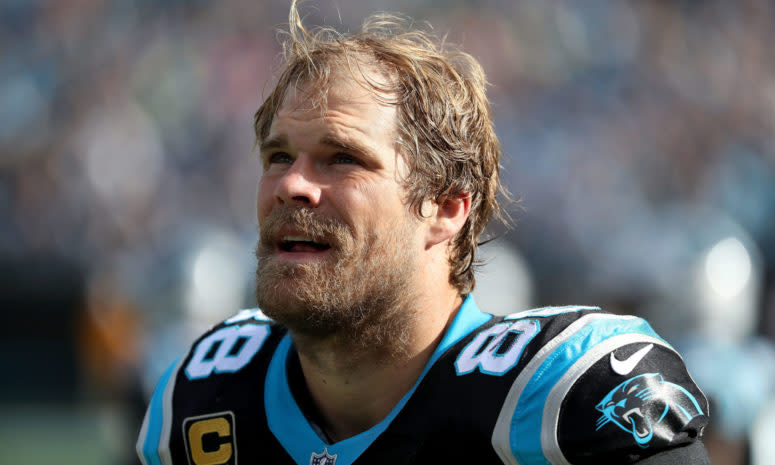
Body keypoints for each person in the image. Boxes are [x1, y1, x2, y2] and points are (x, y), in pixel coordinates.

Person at [136, 2, 711, 464]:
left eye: (342, 159)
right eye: (278, 156)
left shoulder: (565, 398)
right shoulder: (202, 397)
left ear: (446, 208)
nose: (292, 185)